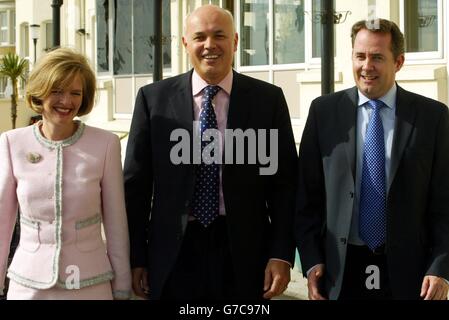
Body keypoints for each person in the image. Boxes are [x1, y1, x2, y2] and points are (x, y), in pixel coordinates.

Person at [124, 5, 298, 300]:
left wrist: (281, 254)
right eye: (200, 37)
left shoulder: (268, 100)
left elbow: (285, 186)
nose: (209, 45)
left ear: (235, 42)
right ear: (185, 44)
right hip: (173, 254)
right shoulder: (153, 101)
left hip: (244, 254)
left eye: (219, 35)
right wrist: (136, 257)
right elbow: (136, 188)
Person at [295, 18, 449, 300]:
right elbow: (306, 197)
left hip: (412, 276)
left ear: (399, 62)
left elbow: (444, 202)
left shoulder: (433, 118)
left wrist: (441, 267)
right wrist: (311, 261)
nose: (367, 66)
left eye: (377, 57)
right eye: (360, 56)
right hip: (339, 272)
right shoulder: (324, 113)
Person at [0, 48, 132, 299]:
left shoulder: (106, 144)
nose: (67, 101)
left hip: (90, 283)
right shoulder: (11, 143)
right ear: (40, 92)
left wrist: (122, 286)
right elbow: (2, 224)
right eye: (57, 91)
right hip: (29, 286)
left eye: (75, 93)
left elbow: (116, 223)